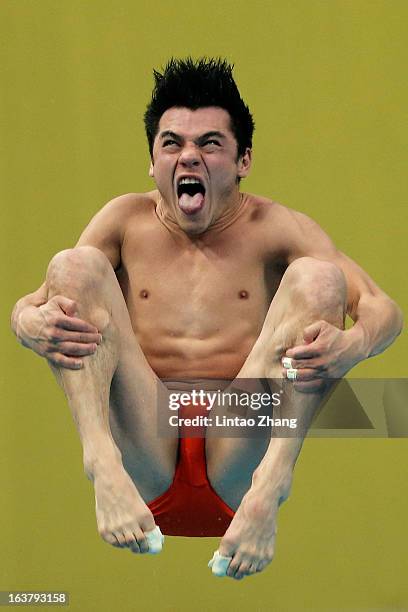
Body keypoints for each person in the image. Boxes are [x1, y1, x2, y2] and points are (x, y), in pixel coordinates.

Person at [11, 58, 402, 580]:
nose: (188, 156)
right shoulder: (125, 219)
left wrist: (353, 346)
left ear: (243, 160)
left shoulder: (277, 227)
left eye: (210, 144)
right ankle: (99, 465)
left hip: (239, 453)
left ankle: (272, 488)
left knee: (320, 280)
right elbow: (36, 301)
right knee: (74, 266)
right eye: (172, 143)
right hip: (142, 446)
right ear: (153, 162)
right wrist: (26, 325)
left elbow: (384, 311)